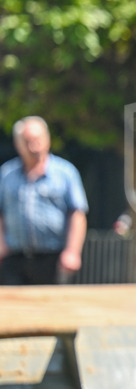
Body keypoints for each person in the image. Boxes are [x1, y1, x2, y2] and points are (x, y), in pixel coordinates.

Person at [0, 116, 89, 285]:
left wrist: (72, 251)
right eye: (28, 141)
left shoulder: (65, 173)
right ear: (18, 144)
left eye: (38, 139)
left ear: (47, 139)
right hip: (14, 258)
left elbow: (77, 214)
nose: (34, 146)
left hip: (52, 258)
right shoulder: (6, 174)